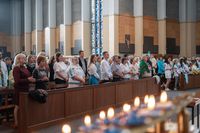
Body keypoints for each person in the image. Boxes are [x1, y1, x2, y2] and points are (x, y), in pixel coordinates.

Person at [13, 53, 35, 127]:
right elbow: (17, 80)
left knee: (25, 106)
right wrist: (28, 79)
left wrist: (31, 79)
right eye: (23, 58)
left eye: (25, 58)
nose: (25, 59)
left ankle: (24, 121)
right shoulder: (16, 68)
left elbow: (27, 77)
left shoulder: (24, 67)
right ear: (19, 59)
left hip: (26, 89)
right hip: (19, 89)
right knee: (17, 106)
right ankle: (16, 122)